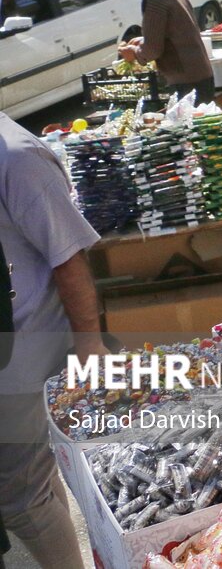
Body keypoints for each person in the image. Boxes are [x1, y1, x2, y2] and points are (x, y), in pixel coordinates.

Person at [0, 111, 107, 569]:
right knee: (35, 485)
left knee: (18, 498)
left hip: (24, 359)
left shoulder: (17, 158)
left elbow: (68, 258)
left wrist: (90, 348)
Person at [117, 0, 215, 102]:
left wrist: (133, 52)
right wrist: (143, 41)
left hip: (187, 81)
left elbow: (153, 50)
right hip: (199, 74)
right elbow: (174, 33)